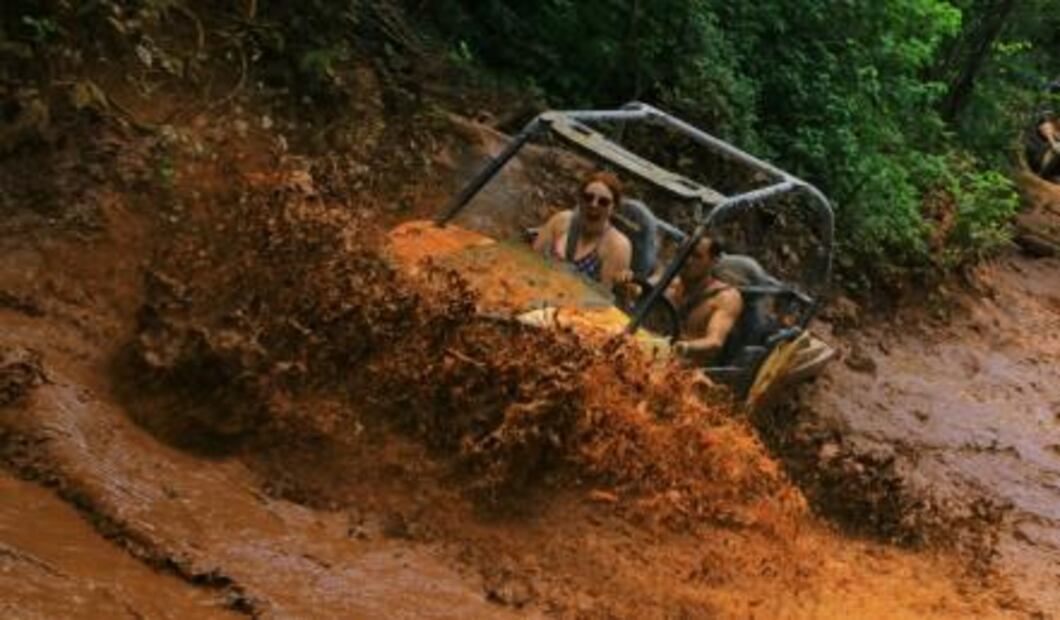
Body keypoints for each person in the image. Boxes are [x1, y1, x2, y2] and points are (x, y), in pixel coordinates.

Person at [533, 171, 634, 287]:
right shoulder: (561, 221)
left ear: (614, 208)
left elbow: (603, 297)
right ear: (580, 199)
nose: (594, 204)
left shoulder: (617, 245)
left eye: (603, 202)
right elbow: (530, 258)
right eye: (588, 197)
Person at [666, 235, 744, 365]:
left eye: (697, 256)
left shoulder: (725, 297)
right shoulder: (668, 284)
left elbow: (715, 342)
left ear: (713, 261)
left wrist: (685, 347)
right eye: (685, 253)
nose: (688, 261)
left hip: (690, 372)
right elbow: (639, 296)